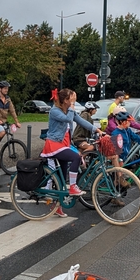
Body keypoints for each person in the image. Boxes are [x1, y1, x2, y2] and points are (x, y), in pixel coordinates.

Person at [41, 89, 103, 217]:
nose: (73, 101)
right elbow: (67, 119)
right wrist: (72, 107)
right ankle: (73, 186)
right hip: (54, 145)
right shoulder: (55, 111)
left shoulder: (68, 110)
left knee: (62, 178)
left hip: (64, 145)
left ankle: (56, 206)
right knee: (76, 157)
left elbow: (81, 121)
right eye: (71, 99)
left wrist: (96, 130)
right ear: (65, 100)